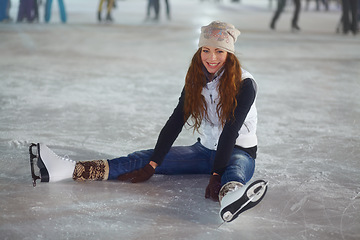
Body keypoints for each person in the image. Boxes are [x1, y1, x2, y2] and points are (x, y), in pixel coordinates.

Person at [30, 21, 267, 222]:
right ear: (199, 51)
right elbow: (176, 121)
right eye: (206, 50)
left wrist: (216, 175)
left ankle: (232, 198)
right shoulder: (196, 80)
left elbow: (231, 130)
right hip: (204, 150)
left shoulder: (245, 84)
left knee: (234, 170)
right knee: (142, 158)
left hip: (239, 150)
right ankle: (68, 169)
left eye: (219, 51)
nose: (211, 58)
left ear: (230, 55)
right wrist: (153, 164)